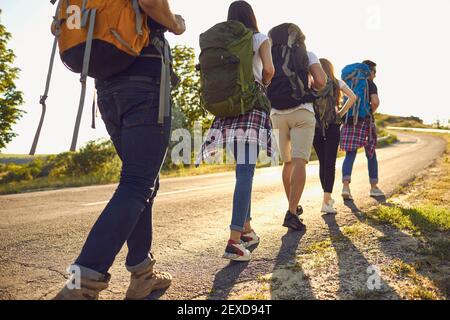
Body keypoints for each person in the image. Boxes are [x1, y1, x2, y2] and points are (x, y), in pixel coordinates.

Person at [55, 0, 186, 300]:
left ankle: (142, 274)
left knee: (142, 182)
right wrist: (176, 23)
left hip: (107, 90)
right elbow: (151, 2)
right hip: (144, 85)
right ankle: (81, 283)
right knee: (137, 183)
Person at [197, 0, 275, 262]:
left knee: (242, 173)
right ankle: (233, 241)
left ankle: (247, 230)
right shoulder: (259, 38)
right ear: (251, 16)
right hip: (250, 107)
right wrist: (262, 84)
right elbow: (269, 70)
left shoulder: (225, 41)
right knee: (245, 173)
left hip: (227, 110)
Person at [269, 25, 327, 230]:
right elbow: (321, 81)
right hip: (302, 111)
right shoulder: (308, 54)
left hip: (276, 113)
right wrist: (310, 84)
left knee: (287, 163)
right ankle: (292, 212)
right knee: (300, 160)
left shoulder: (268, 53)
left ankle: (292, 207)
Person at [313, 58, 356, 214]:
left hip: (315, 127)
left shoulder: (312, 82)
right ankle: (326, 200)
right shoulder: (337, 82)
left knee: (322, 163)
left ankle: (326, 198)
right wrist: (341, 113)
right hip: (333, 126)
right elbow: (352, 97)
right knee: (330, 163)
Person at [341, 60, 384, 200]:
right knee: (371, 154)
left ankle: (346, 187)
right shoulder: (369, 83)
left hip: (349, 120)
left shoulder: (349, 81)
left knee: (350, 154)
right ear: (369, 71)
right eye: (375, 72)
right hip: (365, 121)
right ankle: (374, 187)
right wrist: (368, 111)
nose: (375, 75)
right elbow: (375, 102)